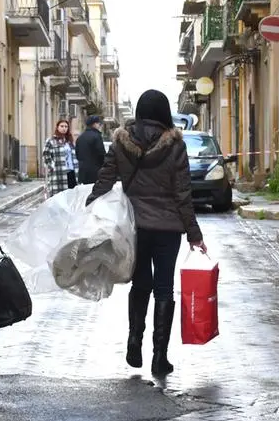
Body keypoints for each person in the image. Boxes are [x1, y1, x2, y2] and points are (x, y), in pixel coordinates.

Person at [86, 90, 206, 377]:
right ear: (164, 112)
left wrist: (88, 209)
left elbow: (104, 180)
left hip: (134, 228)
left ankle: (133, 342)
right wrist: (194, 233)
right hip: (168, 229)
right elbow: (182, 193)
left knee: (141, 285)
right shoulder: (175, 145)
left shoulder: (120, 142)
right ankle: (159, 357)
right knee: (164, 288)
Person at [41, 119, 78, 197]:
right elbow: (45, 155)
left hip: (71, 172)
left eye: (66, 126)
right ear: (57, 127)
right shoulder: (51, 141)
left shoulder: (70, 141)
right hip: (58, 172)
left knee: (71, 196)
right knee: (59, 196)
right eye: (62, 126)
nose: (64, 128)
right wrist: (52, 166)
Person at [75, 115, 107, 185]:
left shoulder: (80, 137)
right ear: (94, 124)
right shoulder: (97, 136)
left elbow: (77, 154)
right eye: (99, 124)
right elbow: (101, 153)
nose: (99, 126)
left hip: (83, 171)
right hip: (95, 171)